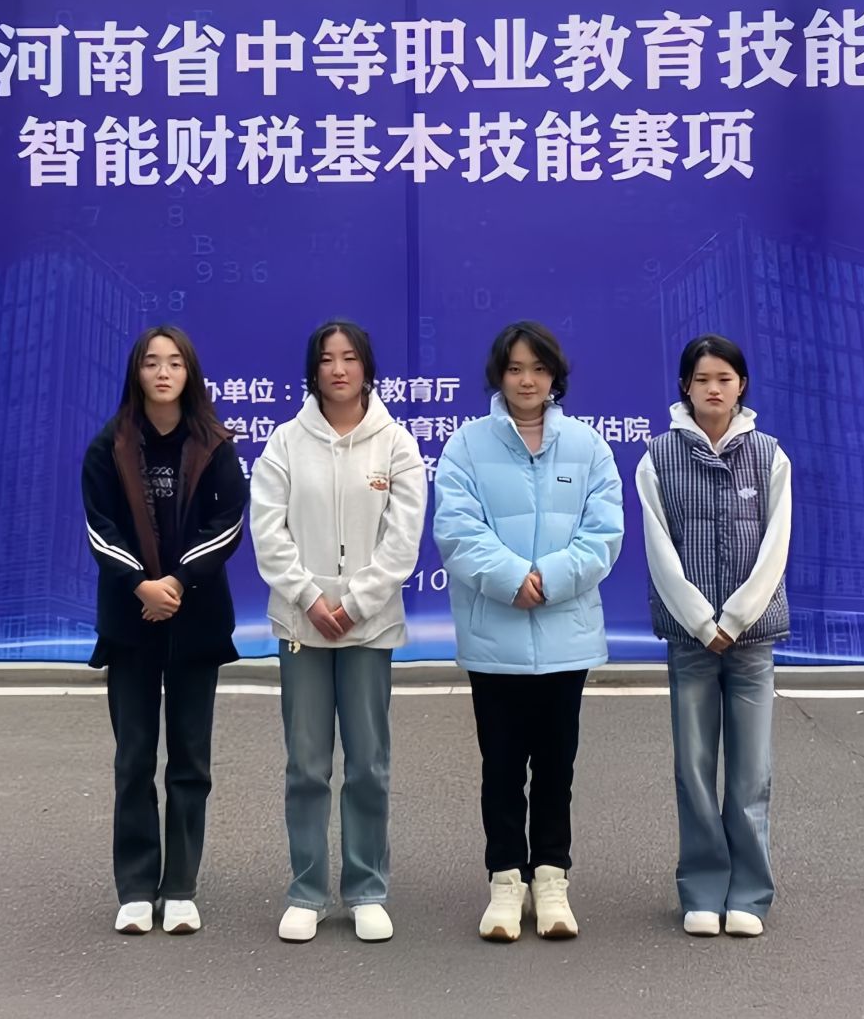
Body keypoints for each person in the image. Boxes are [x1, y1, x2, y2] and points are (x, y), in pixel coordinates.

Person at [433, 320, 624, 943]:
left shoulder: (589, 447)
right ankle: (504, 882)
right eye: (515, 369)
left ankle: (551, 880)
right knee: (501, 766)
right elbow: (457, 529)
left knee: (556, 766)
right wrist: (513, 577)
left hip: (566, 636)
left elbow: (604, 532)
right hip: (496, 636)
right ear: (499, 374)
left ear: (554, 377)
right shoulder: (466, 446)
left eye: (538, 369)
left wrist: (551, 578)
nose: (526, 380)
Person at [251, 320, 428, 945]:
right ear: (313, 371)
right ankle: (306, 891)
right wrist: (309, 597)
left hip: (368, 627)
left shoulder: (396, 444)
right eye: (327, 359)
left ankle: (366, 889)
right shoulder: (285, 442)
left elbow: (402, 540)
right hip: (302, 623)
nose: (338, 369)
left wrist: (355, 604)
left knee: (368, 764)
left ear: (366, 368)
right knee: (306, 764)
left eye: (349, 358)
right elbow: (268, 532)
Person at [81, 325, 247, 937]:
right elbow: (100, 529)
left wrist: (175, 583)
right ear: (137, 373)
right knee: (133, 758)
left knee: (189, 760)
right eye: (152, 363)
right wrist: (142, 587)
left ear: (189, 373)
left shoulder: (214, 444)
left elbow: (227, 524)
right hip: (131, 622)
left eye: (174, 363)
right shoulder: (110, 445)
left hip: (196, 622)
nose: (162, 372)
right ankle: (134, 888)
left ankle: (179, 887)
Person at [635, 334, 792, 940]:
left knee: (752, 773)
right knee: (694, 769)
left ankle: (749, 894)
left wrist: (737, 618)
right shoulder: (657, 457)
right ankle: (702, 890)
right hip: (690, 640)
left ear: (741, 385)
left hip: (751, 640)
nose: (713, 389)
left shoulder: (770, 455)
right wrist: (704, 623)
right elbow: (659, 550)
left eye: (724, 378)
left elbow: (776, 545)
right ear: (685, 387)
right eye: (702, 379)